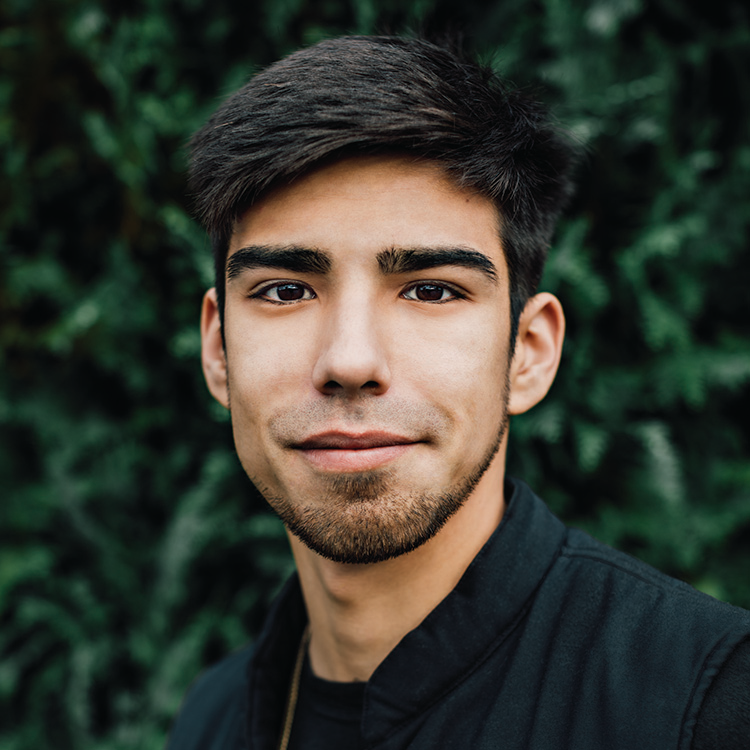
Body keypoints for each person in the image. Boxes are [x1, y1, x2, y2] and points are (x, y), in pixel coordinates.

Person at [168, 35, 750, 750]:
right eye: (286, 290)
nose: (350, 360)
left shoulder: (709, 707)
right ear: (218, 348)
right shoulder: (213, 719)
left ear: (527, 355)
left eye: (431, 290)